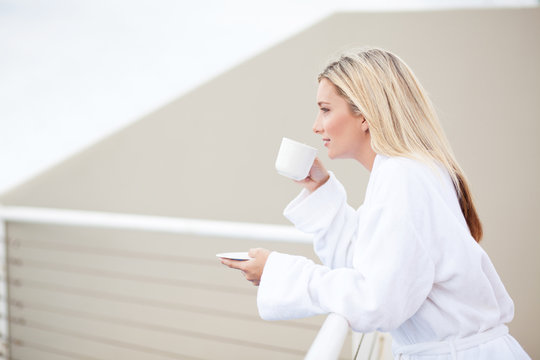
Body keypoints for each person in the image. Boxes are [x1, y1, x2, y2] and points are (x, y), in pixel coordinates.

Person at [220, 48, 530, 359]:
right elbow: (375, 266)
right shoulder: (408, 170)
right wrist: (321, 191)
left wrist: (279, 272)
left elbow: (376, 300)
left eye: (325, 109)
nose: (316, 126)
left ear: (365, 115)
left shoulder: (402, 176)